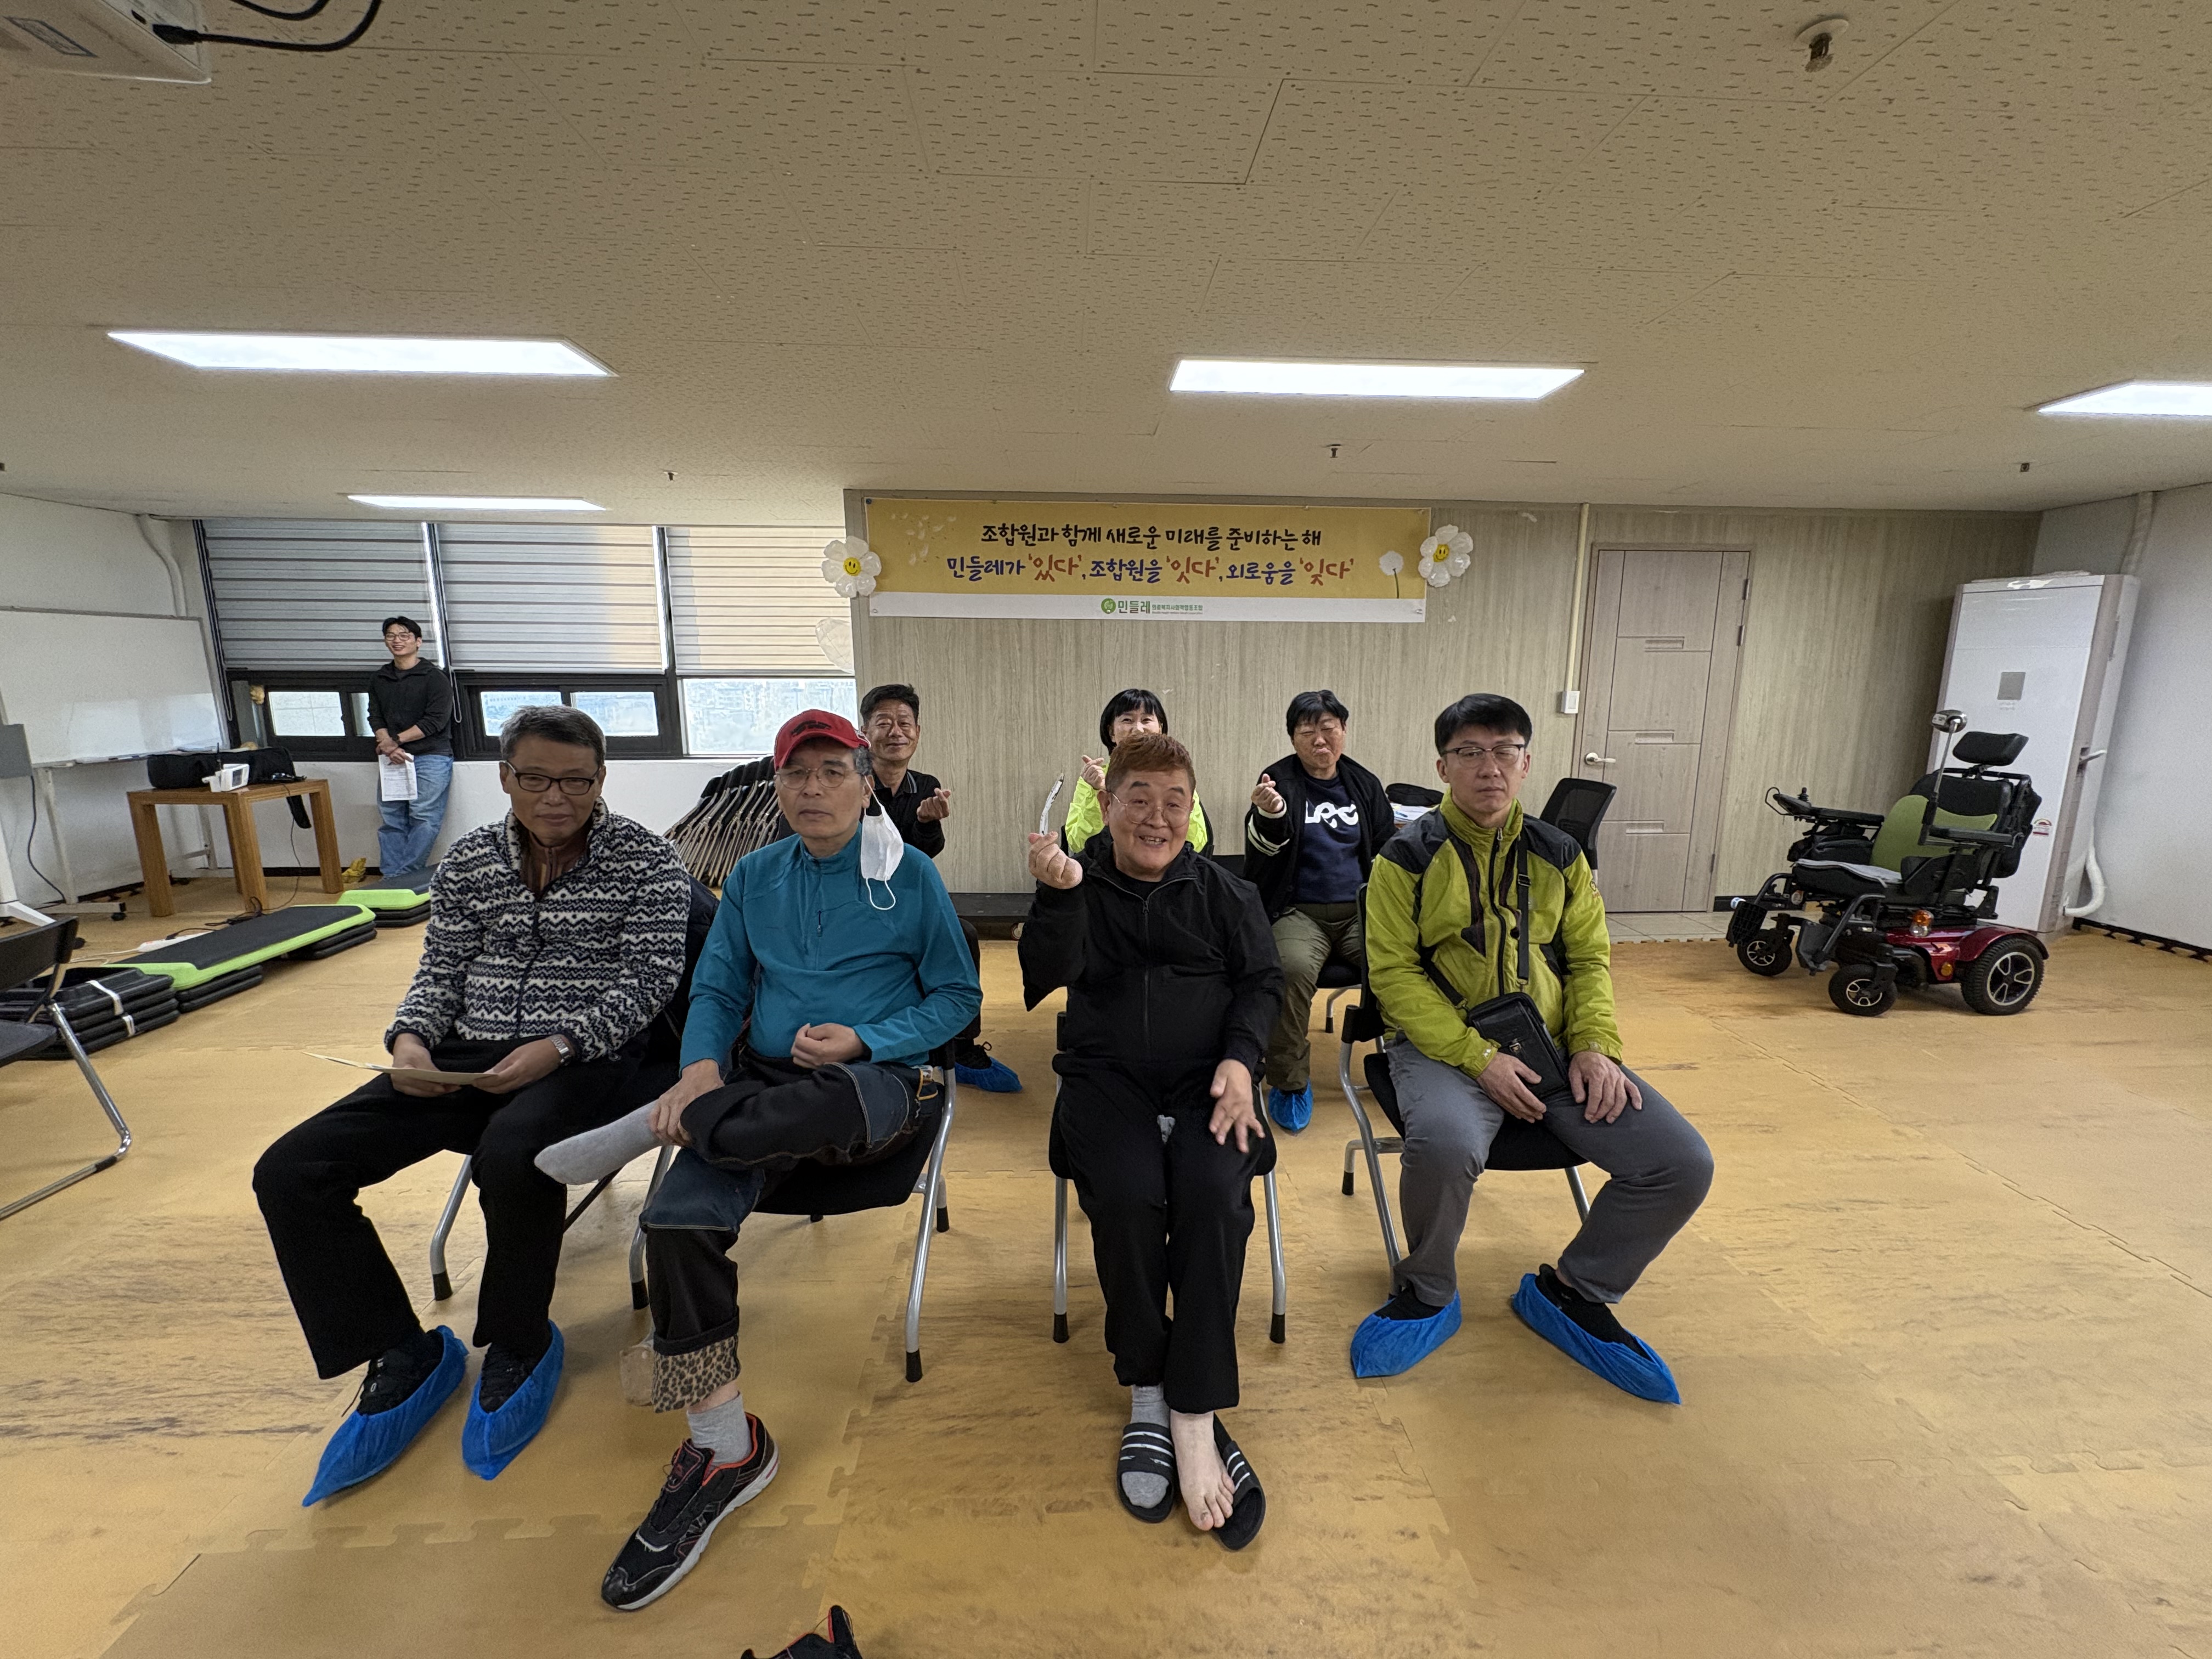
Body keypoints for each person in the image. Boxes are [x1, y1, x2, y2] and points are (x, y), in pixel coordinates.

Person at [253, 706, 692, 1503]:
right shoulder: (469, 861)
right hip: (463, 1055)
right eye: (537, 778)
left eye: (577, 781)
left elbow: (649, 982)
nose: (557, 798)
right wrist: (410, 1041)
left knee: (516, 1153)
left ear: (601, 780)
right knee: (291, 1170)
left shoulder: (647, 861)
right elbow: (441, 969)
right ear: (505, 777)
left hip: (590, 1057)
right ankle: (402, 1350)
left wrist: (559, 1046)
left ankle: (519, 1341)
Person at [597, 709, 980, 1611]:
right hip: (761, 1086)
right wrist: (700, 1065)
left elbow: (956, 997)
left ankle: (685, 1125)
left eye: (831, 771)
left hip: (870, 1085)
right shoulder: (754, 876)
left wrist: (867, 1037)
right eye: (796, 773)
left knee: (824, 1098)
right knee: (672, 1220)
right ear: (777, 787)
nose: (813, 788)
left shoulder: (908, 874)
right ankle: (725, 1445)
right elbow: (719, 985)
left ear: (863, 782)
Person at [1352, 693, 1714, 1399]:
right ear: (1443, 767)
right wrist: (1478, 1058)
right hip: (1443, 1049)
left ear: (1526, 763)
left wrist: (1595, 1046)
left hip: (1551, 1047)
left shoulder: (1560, 854)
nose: (1489, 767)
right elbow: (1393, 976)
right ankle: (1427, 1288)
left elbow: (1589, 960)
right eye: (1470, 753)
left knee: (1680, 1163)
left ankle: (1575, 1290)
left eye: (1505, 751)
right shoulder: (1406, 858)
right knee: (1447, 1144)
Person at [1021, 731, 1280, 1550]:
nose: (1157, 818)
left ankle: (1194, 1411)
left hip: (1210, 1079)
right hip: (1106, 1080)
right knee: (1131, 1199)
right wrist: (1058, 897)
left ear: (1193, 810)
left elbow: (1263, 984)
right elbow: (1040, 977)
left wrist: (1241, 1061)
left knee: (1213, 1195)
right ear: (1109, 803)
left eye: (1176, 802)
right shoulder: (1080, 877)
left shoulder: (1224, 892)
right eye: (1139, 799)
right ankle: (1146, 1386)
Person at [1242, 689, 1393, 1133]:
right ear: (1293, 738)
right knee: (1288, 970)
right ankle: (1289, 1080)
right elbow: (1262, 851)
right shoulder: (1278, 780)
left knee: (1398, 964)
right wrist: (1270, 815)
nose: (1320, 740)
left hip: (1359, 910)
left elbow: (1386, 847)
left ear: (1343, 730)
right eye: (1308, 731)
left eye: (1329, 728)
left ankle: (1407, 1065)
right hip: (1299, 911)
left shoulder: (1364, 783)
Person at [860, 681, 1020, 1092]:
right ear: (865, 732)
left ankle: (961, 1046)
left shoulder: (924, 783)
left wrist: (927, 822)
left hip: (908, 900)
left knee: (962, 935)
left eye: (905, 723)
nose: (896, 732)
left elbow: (922, 855)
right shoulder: (852, 784)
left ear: (918, 732)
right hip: (858, 901)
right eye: (884, 722)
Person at [1060, 687, 1212, 854]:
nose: (1138, 729)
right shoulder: (1094, 778)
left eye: (1146, 720)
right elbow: (1079, 844)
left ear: (1160, 729)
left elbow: (1196, 843)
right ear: (1111, 732)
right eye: (1128, 720)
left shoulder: (1177, 776)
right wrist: (1098, 791)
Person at [367, 614, 456, 876]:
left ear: (418, 642)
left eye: (404, 635)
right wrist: (388, 745)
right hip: (392, 756)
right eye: (391, 636)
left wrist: (394, 742)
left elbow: (435, 721)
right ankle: (391, 877)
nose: (397, 640)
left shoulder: (434, 677)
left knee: (424, 817)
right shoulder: (380, 678)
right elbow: (375, 716)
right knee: (391, 818)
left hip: (431, 756)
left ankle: (407, 875)